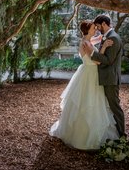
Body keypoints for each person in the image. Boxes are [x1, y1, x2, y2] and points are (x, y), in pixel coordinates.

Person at [49, 20, 119, 150]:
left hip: (86, 72)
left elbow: (97, 38)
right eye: (94, 28)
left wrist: (106, 33)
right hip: (91, 73)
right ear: (88, 30)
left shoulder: (87, 41)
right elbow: (97, 61)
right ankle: (84, 137)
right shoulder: (87, 43)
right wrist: (104, 47)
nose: (96, 29)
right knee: (89, 102)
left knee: (88, 101)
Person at [83, 14, 126, 138]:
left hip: (111, 79)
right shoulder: (107, 37)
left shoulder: (114, 38)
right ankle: (114, 133)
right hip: (107, 78)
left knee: (115, 107)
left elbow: (108, 60)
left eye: (97, 26)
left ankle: (122, 135)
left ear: (103, 24)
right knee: (109, 107)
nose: (96, 29)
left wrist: (92, 54)